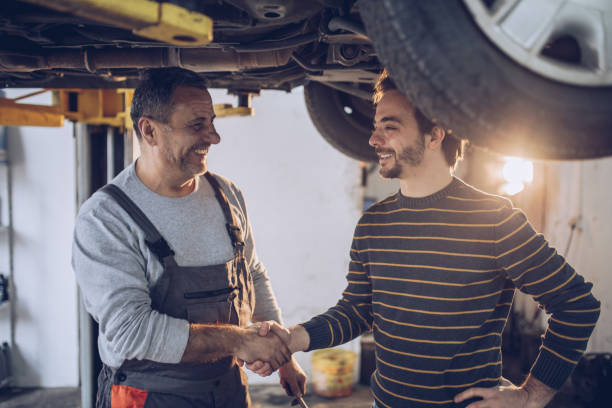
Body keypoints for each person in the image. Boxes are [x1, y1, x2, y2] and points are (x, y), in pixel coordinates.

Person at [254, 70, 600, 408]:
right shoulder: (373, 223)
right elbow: (358, 310)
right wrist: (292, 338)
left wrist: (530, 395)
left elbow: (577, 305)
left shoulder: (492, 219)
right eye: (375, 128)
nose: (374, 140)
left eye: (389, 128)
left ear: (435, 134)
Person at [72, 67, 305, 408]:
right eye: (196, 125)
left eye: (212, 122)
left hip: (227, 389)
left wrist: (283, 356)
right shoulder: (106, 218)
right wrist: (239, 341)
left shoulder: (226, 194)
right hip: (148, 396)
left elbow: (251, 272)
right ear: (149, 130)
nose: (213, 137)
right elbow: (131, 331)